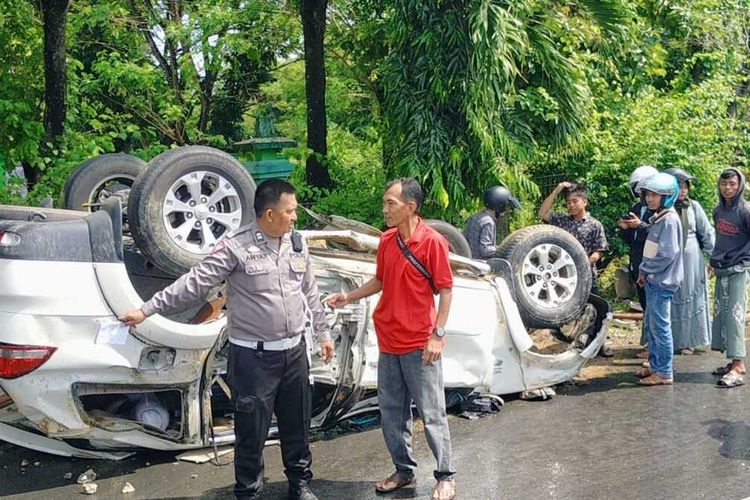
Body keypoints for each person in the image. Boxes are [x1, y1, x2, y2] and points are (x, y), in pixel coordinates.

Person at [120, 179, 335, 500]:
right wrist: (147, 309)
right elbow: (193, 284)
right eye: (290, 212)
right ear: (270, 213)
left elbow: (311, 291)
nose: (295, 218)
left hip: (294, 354)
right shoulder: (235, 247)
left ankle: (300, 484)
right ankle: (248, 493)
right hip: (254, 359)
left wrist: (324, 331)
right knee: (251, 430)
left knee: (297, 426)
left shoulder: (297, 243)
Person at [325, 178, 456, 500]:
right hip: (389, 340)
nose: (384, 209)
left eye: (390, 204)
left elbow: (446, 290)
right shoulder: (387, 241)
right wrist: (349, 297)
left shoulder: (433, 242)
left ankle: (445, 476)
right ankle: (404, 471)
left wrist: (437, 335)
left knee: (432, 412)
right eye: (384, 203)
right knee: (392, 412)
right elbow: (380, 280)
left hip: (419, 343)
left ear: (410, 207)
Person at [539, 181, 611, 356]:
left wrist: (586, 262)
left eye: (574, 201)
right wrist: (556, 190)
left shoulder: (595, 225)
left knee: (597, 308)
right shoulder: (562, 221)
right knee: (568, 309)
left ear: (584, 202)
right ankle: (573, 342)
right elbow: (542, 213)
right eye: (568, 203)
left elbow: (599, 250)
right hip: (563, 277)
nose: (571, 205)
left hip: (587, 274)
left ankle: (600, 345)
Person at [634, 173, 683, 386]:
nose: (649, 199)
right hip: (653, 280)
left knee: (660, 328)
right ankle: (655, 365)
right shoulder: (660, 217)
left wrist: (645, 269)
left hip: (661, 282)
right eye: (648, 195)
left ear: (667, 197)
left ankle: (664, 372)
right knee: (653, 326)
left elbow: (667, 254)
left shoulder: (669, 220)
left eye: (655, 195)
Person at [663, 167, 715, 355]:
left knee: (690, 296)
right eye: (679, 186)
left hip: (691, 256)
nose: (683, 190)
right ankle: (667, 340)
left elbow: (707, 233)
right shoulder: (663, 207)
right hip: (668, 258)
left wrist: (714, 259)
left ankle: (689, 341)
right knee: (670, 296)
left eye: (686, 186)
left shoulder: (694, 207)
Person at [709, 167, 750, 388]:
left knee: (735, 316)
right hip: (722, 268)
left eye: (732, 184)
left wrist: (744, 260)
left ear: (740, 186)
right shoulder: (718, 211)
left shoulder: (745, 211)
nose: (728, 188)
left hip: (739, 269)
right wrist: (714, 261)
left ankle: (738, 365)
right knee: (722, 315)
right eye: (724, 184)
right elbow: (720, 238)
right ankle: (732, 361)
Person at [619, 165, 658, 357]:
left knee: (654, 307)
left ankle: (654, 347)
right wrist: (625, 228)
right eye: (641, 192)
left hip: (652, 266)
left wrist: (640, 225)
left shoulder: (660, 211)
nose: (644, 196)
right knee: (644, 305)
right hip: (637, 263)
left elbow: (657, 237)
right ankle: (650, 344)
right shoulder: (635, 208)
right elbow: (629, 239)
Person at [464, 185, 520, 260]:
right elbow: (485, 250)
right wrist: (502, 248)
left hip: (469, 258)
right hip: (480, 263)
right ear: (500, 205)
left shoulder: (474, 217)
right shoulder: (488, 222)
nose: (506, 210)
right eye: (506, 207)